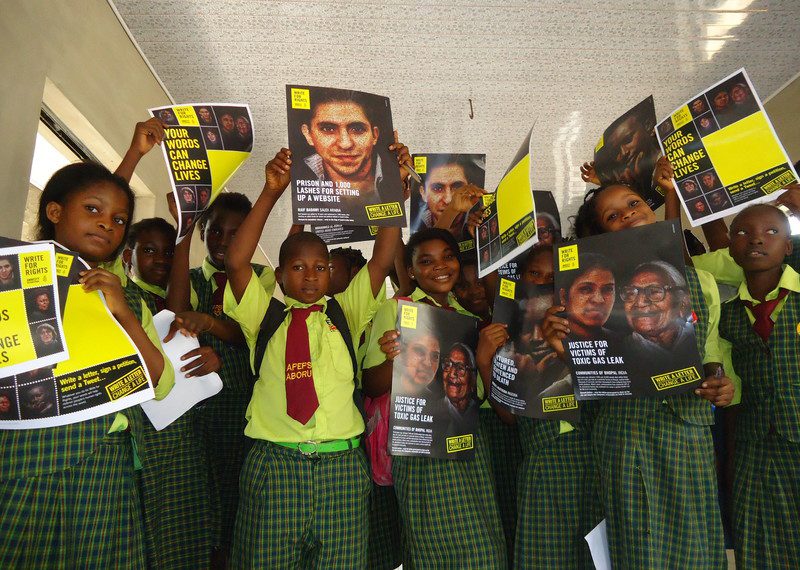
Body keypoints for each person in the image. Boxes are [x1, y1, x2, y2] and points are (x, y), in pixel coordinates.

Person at [543, 163, 734, 568]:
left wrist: (720, 383)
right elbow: (591, 375)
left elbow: (712, 358)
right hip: (625, 437)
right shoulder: (595, 301)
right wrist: (564, 348)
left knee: (698, 543)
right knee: (640, 543)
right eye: (613, 215)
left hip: (689, 436)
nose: (628, 213)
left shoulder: (700, 283)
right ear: (600, 238)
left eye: (633, 203)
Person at [222, 144, 404, 569]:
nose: (310, 275)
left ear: (330, 273)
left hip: (342, 466)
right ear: (280, 275)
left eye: (320, 267)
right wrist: (270, 193)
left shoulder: (346, 310)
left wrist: (390, 185)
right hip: (275, 464)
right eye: (298, 268)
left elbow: (381, 259)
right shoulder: (263, 316)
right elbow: (236, 262)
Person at [0, 159, 174, 568]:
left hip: (106, 463)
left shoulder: (127, 298)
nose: (106, 225)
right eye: (92, 210)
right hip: (26, 457)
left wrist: (124, 315)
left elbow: (160, 385)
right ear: (55, 212)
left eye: (118, 219)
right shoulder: (13, 277)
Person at [364, 227, 507, 569]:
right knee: (431, 551)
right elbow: (370, 385)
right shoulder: (396, 310)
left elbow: (482, 399)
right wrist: (391, 360)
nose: (439, 266)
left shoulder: (469, 321)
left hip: (468, 448)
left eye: (447, 257)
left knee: (485, 551)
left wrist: (484, 357)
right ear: (410, 271)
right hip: (420, 451)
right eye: (425, 261)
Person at [166, 190, 276, 568]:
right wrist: (183, 230)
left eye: (235, 234)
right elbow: (176, 310)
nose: (223, 242)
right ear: (203, 232)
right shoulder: (195, 277)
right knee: (199, 491)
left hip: (239, 401)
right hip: (195, 403)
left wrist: (211, 324)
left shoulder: (261, 277)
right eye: (214, 232)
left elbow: (255, 335)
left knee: (233, 491)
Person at [716, 204, 800, 567]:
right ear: (731, 250)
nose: (755, 239)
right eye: (742, 233)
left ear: (789, 247)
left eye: (771, 232)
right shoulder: (728, 314)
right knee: (759, 538)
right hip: (754, 447)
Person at [296, 88, 395, 209]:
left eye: (358, 129)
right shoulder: (298, 174)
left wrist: (398, 191)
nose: (345, 144)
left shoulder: (393, 173)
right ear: (308, 135)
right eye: (328, 129)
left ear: (374, 135)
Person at [620, 261, 697, 371]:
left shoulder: (697, 338)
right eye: (631, 293)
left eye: (654, 291)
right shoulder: (617, 351)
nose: (640, 302)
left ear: (682, 303)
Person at [557, 252, 617, 344]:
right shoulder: (547, 343)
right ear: (564, 296)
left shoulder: (626, 344)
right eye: (586, 289)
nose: (599, 300)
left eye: (608, 289)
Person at [412, 155, 473, 233]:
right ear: (423, 193)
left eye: (457, 188)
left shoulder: (477, 220)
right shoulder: (414, 230)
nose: (448, 200)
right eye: (437, 188)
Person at [438, 342, 479, 439]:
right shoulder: (431, 411)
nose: (452, 373)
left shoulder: (480, 413)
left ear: (472, 378)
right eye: (447, 365)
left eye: (460, 368)